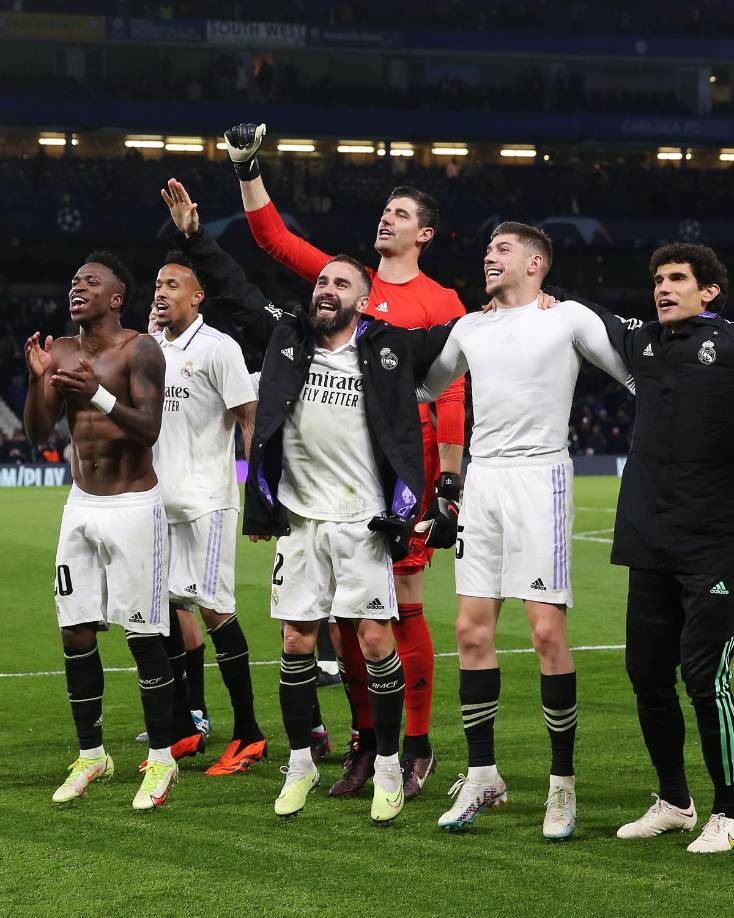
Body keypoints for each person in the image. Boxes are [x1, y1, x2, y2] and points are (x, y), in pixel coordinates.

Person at [224, 122, 467, 799]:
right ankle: (366, 739)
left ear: (424, 233)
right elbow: (271, 239)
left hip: (395, 472)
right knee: (338, 618)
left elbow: (450, 392)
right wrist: (249, 169)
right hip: (327, 473)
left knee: (397, 610)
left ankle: (413, 745)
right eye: (384, 211)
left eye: (400, 215)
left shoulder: (440, 303)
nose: (385, 219)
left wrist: (449, 482)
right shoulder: (344, 280)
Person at [416, 222, 634, 839]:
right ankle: (483, 774)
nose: (489, 256)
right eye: (486, 249)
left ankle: (561, 786)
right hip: (483, 481)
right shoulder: (470, 326)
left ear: (535, 262)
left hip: (542, 478)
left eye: (502, 250)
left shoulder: (568, 319)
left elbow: (634, 376)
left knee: (544, 632)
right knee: (469, 629)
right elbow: (425, 385)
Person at [243, 254, 454, 822]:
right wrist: (193, 240)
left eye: (341, 283)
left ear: (363, 299)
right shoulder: (290, 337)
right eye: (321, 282)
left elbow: (458, 337)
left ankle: (388, 767)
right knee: (295, 643)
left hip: (362, 520)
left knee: (377, 642)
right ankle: (300, 766)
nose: (326, 290)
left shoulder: (389, 349)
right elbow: (234, 289)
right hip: (301, 519)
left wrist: (520, 303)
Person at [569, 243, 734, 854]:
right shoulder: (643, 345)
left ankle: (730, 809)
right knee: (646, 675)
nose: (663, 288)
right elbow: (589, 318)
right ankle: (674, 800)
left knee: (705, 679)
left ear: (709, 290)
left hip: (713, 542)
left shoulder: (732, 345)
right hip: (647, 537)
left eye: (678, 279)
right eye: (657, 279)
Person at [23, 252, 178, 811]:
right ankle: (92, 754)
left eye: (91, 281)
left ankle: (161, 760)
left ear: (117, 298)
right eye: (74, 279)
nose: (77, 286)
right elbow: (38, 428)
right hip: (80, 504)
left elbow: (150, 429)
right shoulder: (61, 351)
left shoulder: (140, 349)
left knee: (142, 636)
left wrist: (96, 393)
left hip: (134, 506)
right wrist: (42, 382)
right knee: (75, 633)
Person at [148, 178, 267, 776]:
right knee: (168, 608)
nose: (162, 291)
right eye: (158, 284)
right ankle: (184, 724)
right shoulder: (151, 349)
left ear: (198, 296)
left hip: (207, 503)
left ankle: (248, 732)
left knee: (216, 610)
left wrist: (260, 497)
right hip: (158, 504)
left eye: (173, 284)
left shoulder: (218, 347)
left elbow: (249, 421)